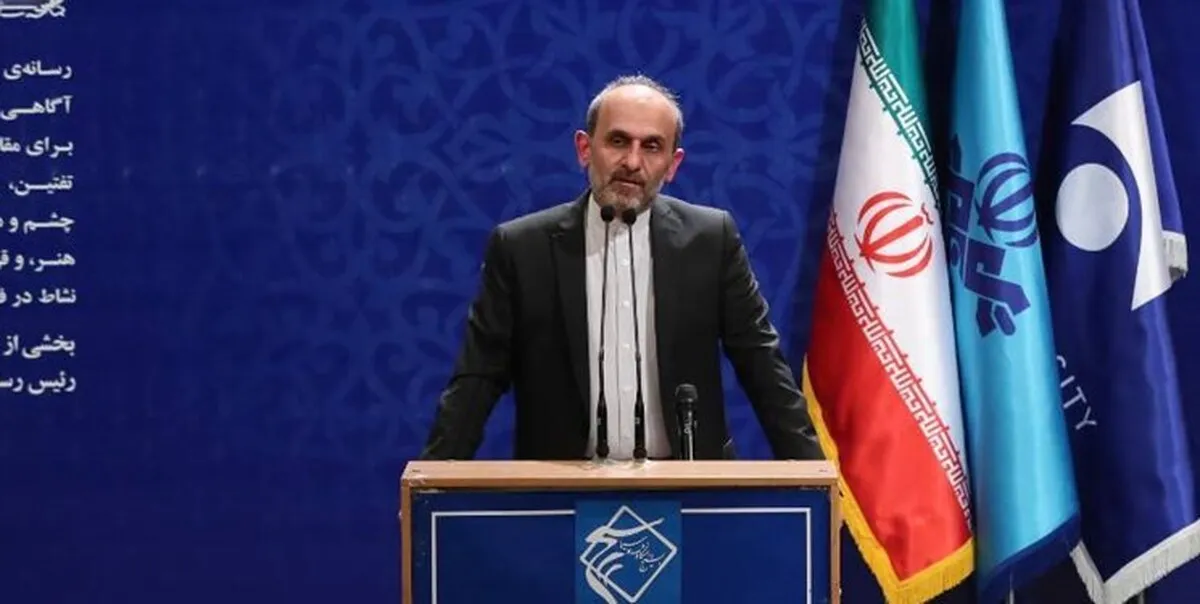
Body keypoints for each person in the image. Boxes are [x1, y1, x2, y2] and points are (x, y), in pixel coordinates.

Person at [419, 74, 823, 461]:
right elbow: (478, 378)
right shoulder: (523, 248)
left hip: (689, 487)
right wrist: (432, 481)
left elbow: (762, 365)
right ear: (584, 148)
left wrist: (816, 480)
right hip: (563, 489)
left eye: (652, 147)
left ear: (673, 164)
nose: (632, 161)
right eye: (618, 141)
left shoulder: (710, 240)